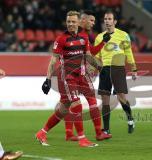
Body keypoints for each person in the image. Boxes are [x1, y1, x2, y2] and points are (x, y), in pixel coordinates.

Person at [35, 10, 98, 147]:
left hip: (81, 76)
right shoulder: (61, 39)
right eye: (68, 21)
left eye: (73, 22)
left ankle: (42, 132)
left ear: (78, 22)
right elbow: (53, 61)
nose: (70, 24)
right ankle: (82, 139)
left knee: (63, 109)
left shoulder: (83, 37)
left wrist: (100, 68)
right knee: (77, 104)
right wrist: (47, 80)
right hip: (68, 77)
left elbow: (88, 56)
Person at [62, 10, 112, 141]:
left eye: (94, 21)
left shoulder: (84, 35)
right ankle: (70, 134)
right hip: (70, 74)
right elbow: (88, 55)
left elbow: (90, 53)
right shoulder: (76, 35)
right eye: (91, 20)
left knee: (89, 102)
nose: (93, 23)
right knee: (69, 103)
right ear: (82, 20)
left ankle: (95, 133)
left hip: (82, 73)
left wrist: (102, 43)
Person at [94, 10, 137, 136]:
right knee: (105, 100)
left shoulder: (123, 35)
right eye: (105, 19)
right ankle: (106, 129)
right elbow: (96, 55)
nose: (107, 21)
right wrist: (99, 67)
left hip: (118, 68)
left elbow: (129, 53)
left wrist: (134, 69)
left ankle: (130, 119)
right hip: (105, 69)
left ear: (115, 21)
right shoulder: (99, 37)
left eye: (109, 19)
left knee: (121, 97)